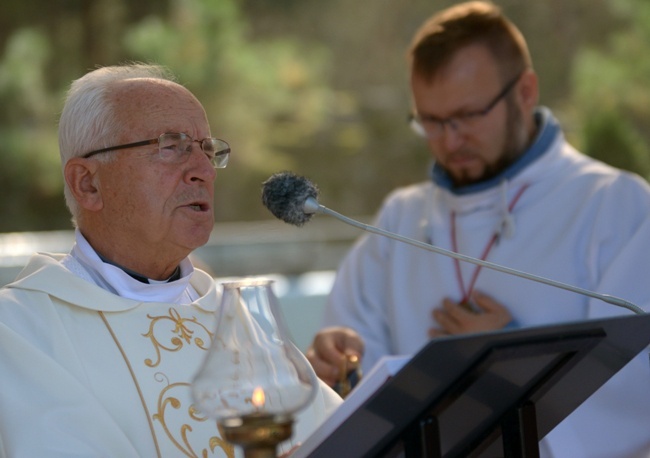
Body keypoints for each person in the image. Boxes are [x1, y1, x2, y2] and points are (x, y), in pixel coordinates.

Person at [307, 2, 650, 457]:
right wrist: (335, 366)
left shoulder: (615, 205)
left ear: (525, 91)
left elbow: (633, 388)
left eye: (468, 116)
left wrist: (515, 368)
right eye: (430, 121)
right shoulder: (401, 218)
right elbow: (361, 386)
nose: (450, 141)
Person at [0, 63, 340, 457]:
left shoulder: (236, 322)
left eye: (207, 150)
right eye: (171, 146)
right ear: (88, 183)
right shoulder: (21, 331)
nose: (203, 171)